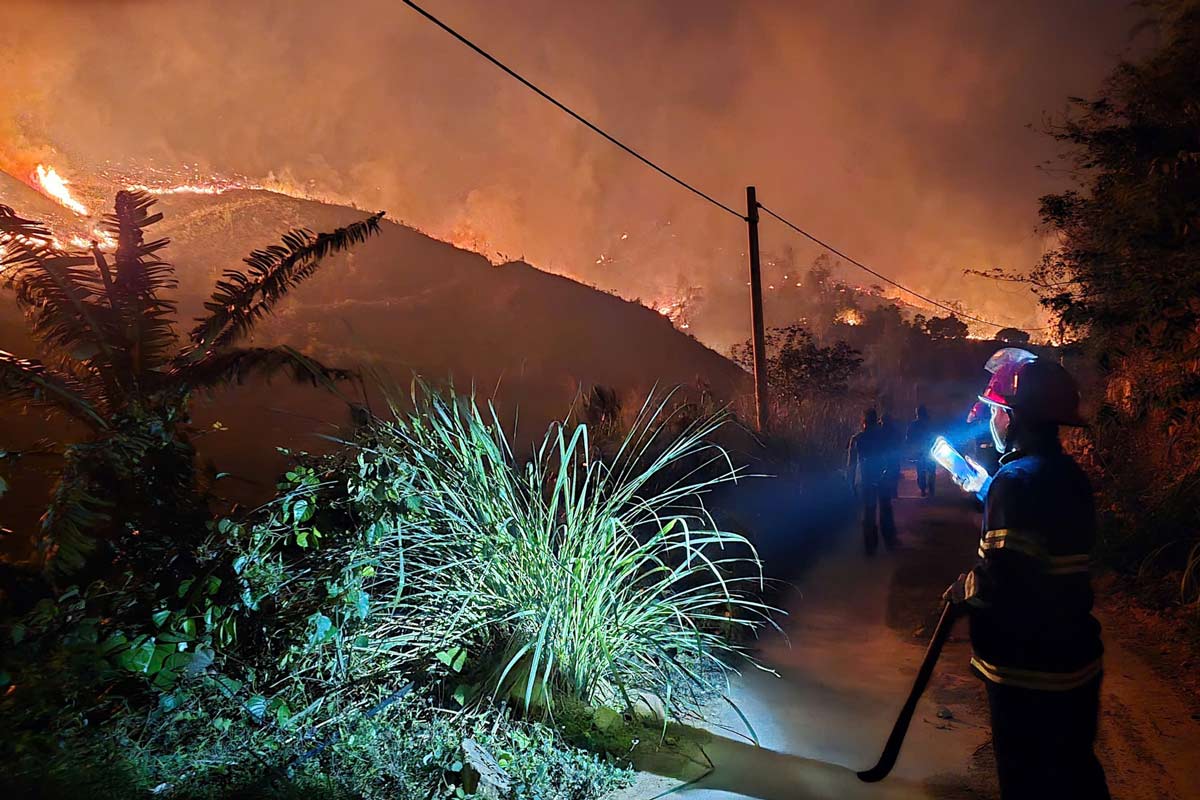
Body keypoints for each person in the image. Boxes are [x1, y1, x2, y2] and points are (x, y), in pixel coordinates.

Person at [943, 348, 1108, 799]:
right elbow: (1041, 540)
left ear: (1014, 418)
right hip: (1075, 658)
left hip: (1027, 668)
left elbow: (1005, 576)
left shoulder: (1013, 483)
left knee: (1027, 782)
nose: (991, 419)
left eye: (996, 410)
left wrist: (963, 591)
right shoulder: (1067, 474)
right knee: (1076, 774)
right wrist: (985, 486)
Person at [847, 408, 896, 554]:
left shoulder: (857, 439)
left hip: (865, 479)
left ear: (864, 422)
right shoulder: (884, 437)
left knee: (869, 513)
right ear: (876, 421)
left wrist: (851, 483)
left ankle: (870, 547)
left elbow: (851, 464)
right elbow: (891, 458)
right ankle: (889, 541)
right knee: (885, 510)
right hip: (883, 478)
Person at [907, 405, 937, 497]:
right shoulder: (930, 423)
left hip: (920, 450)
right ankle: (931, 489)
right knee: (931, 469)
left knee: (921, 470)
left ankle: (923, 489)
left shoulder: (914, 424)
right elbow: (935, 435)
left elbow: (909, 437)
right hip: (930, 449)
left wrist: (910, 447)